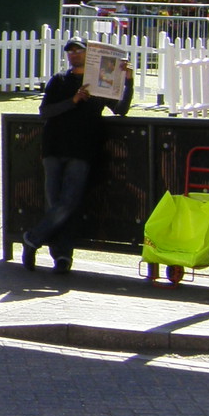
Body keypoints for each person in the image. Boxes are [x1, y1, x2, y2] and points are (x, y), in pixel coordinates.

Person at [22, 38, 134, 274]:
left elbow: (121, 109)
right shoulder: (59, 80)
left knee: (68, 204)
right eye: (70, 51)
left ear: (88, 54)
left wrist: (128, 82)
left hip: (82, 150)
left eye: (78, 51)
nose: (74, 54)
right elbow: (45, 111)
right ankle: (62, 256)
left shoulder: (99, 85)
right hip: (54, 148)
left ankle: (33, 239)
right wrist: (73, 101)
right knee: (57, 204)